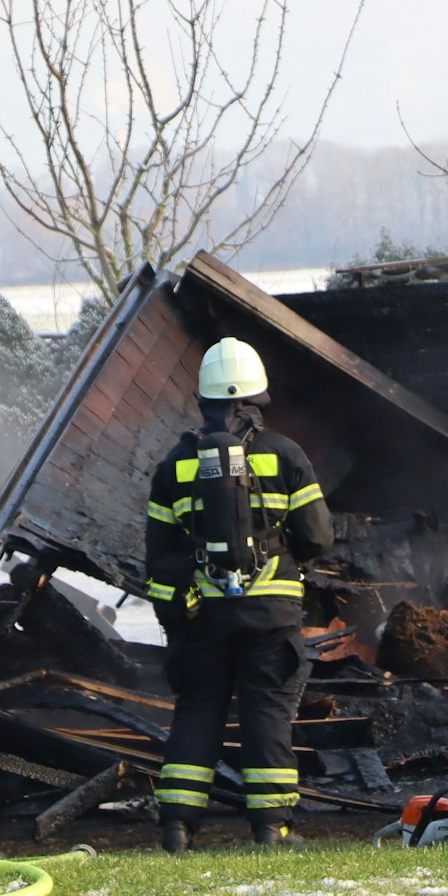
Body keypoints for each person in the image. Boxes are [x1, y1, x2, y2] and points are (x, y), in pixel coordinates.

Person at [144, 337, 334, 853]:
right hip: (270, 611)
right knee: (266, 713)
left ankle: (178, 828)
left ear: (204, 401)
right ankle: (270, 829)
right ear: (255, 400)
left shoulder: (175, 464)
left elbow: (159, 553)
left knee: (198, 711)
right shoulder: (286, 455)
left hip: (202, 615)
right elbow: (318, 537)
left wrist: (175, 609)